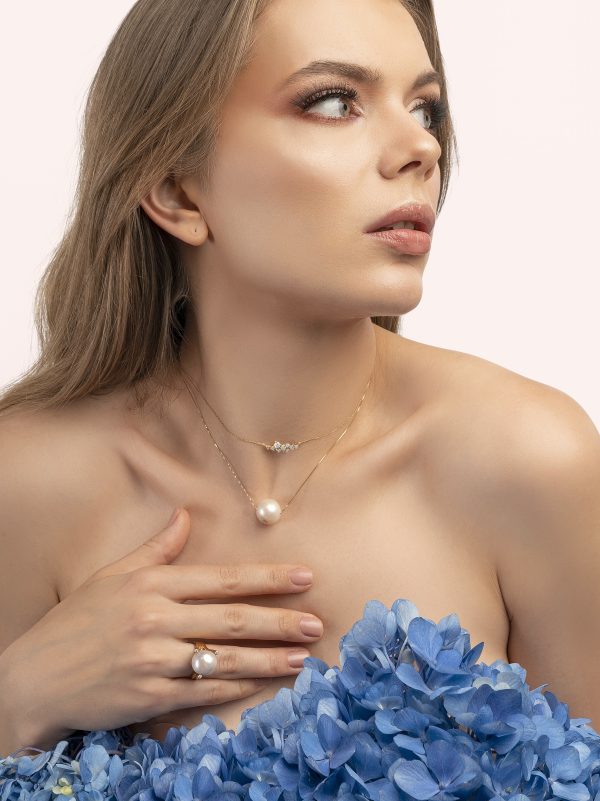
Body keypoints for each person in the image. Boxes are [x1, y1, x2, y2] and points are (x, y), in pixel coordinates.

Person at [1, 0, 599, 757]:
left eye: (426, 107)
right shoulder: (25, 482)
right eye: (333, 101)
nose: (420, 145)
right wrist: (16, 697)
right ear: (179, 190)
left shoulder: (532, 461)